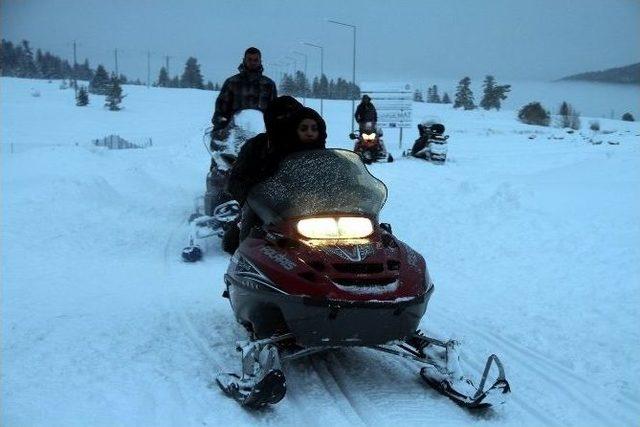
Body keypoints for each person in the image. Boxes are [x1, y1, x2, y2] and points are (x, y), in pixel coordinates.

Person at [223, 101, 326, 252]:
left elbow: (332, 173)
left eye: (292, 116)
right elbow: (237, 179)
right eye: (281, 117)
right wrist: (255, 196)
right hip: (266, 210)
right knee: (244, 243)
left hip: (311, 209)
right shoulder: (258, 146)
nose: (286, 120)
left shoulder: (314, 148)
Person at [211, 47, 278, 142]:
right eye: (249, 59)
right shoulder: (231, 82)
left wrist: (275, 130)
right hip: (233, 135)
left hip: (260, 136)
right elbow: (221, 109)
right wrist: (219, 126)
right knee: (222, 155)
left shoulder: (269, 84)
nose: (252, 62)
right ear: (244, 60)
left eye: (256, 60)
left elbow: (274, 111)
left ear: (260, 61)